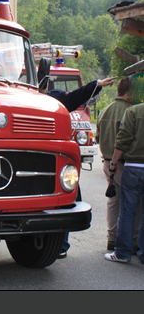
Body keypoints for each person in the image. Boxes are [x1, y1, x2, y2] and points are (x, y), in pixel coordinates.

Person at [39, 68, 117, 258]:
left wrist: (96, 85)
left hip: (53, 157)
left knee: (66, 197)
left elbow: (76, 96)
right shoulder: (21, 97)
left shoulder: (54, 99)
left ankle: (61, 244)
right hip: (32, 157)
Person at [96, 77, 141, 251]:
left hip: (107, 162)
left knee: (113, 202)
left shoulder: (106, 110)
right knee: (133, 203)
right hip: (123, 162)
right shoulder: (130, 110)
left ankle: (112, 238)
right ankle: (134, 240)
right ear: (130, 92)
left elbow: (98, 137)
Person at [104, 102, 144, 264]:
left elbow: (123, 139)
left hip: (133, 166)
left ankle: (122, 253)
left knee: (127, 211)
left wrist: (113, 163)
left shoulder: (134, 111)